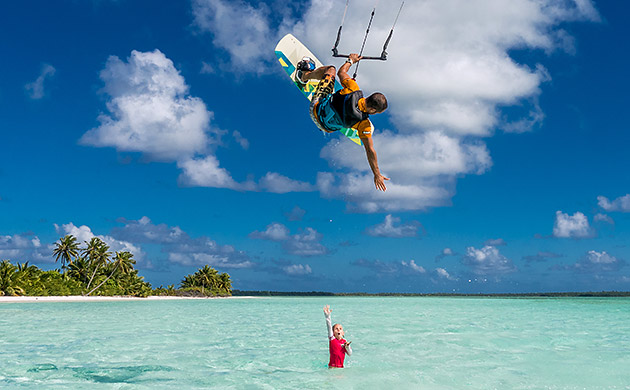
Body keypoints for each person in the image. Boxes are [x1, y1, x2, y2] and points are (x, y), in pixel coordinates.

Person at [297, 54, 390, 192]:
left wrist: (350, 61)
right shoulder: (363, 124)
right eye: (375, 112)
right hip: (326, 127)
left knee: (330, 70)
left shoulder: (354, 88)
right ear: (371, 109)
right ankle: (350, 125)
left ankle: (304, 76)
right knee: (362, 127)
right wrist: (377, 174)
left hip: (316, 109)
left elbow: (341, 72)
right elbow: (370, 150)